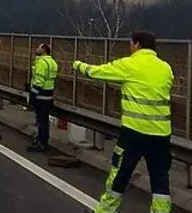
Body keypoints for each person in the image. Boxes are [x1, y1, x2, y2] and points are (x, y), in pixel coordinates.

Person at [74, 30, 175, 213]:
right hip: (161, 134)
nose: (129, 47)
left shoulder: (130, 64)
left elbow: (98, 72)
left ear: (137, 45)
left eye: (131, 44)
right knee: (160, 179)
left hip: (134, 132)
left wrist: (78, 65)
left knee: (119, 173)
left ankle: (106, 211)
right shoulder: (166, 68)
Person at [27, 43, 58, 152]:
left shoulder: (41, 62)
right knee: (45, 120)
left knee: (40, 121)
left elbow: (39, 81)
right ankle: (44, 141)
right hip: (49, 95)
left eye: (38, 47)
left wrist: (32, 95)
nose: (36, 49)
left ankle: (40, 142)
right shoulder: (53, 62)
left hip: (40, 96)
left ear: (44, 49)